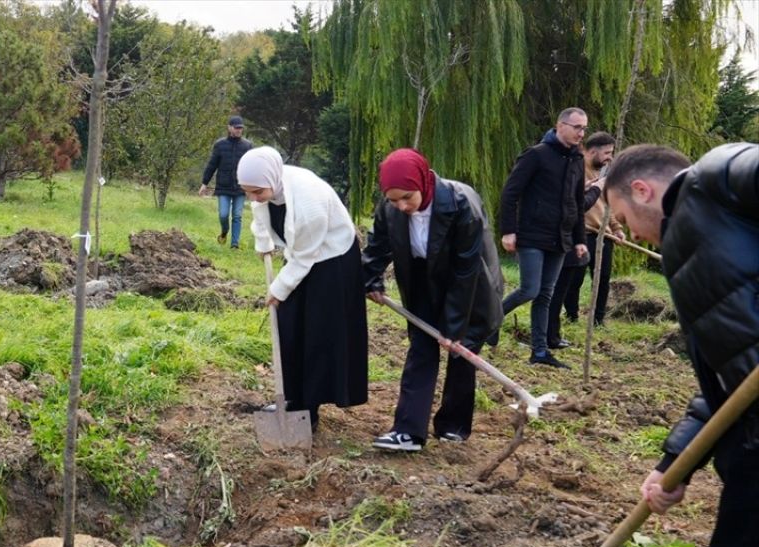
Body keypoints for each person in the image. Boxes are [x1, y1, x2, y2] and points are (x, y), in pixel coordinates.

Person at [603, 142, 759, 547]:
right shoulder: (691, 250)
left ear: (642, 190)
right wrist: (675, 464)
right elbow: (722, 379)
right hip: (750, 431)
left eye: (622, 217)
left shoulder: (714, 179)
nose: (631, 234)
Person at [363, 149, 504, 451]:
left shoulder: (461, 202)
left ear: (423, 182)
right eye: (393, 199)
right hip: (422, 282)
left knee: (462, 351)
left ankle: (453, 425)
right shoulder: (390, 208)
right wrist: (371, 278)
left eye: (407, 197)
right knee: (421, 349)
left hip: (470, 283)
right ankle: (409, 431)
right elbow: (377, 245)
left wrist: (453, 326)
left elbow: (466, 268)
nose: (401, 206)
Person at [238, 146, 367, 429]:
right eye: (247, 191)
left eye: (256, 191)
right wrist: (264, 244)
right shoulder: (267, 185)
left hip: (332, 262)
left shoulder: (309, 199)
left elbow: (306, 255)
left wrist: (279, 288)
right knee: (289, 326)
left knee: (317, 334)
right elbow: (261, 213)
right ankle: (292, 398)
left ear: (271, 180)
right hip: (301, 257)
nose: (252, 198)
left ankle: (309, 409)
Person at [495, 107, 590, 368]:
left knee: (545, 295)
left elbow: (577, 203)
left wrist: (580, 239)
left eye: (584, 128)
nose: (581, 133)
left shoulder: (577, 160)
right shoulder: (536, 155)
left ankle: (539, 352)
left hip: (561, 238)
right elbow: (510, 194)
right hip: (532, 235)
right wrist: (508, 231)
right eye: (577, 127)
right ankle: (490, 320)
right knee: (530, 289)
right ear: (560, 126)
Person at [561, 131, 624, 328]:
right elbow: (572, 201)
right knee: (575, 278)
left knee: (603, 278)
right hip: (581, 233)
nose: (609, 157)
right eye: (607, 153)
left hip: (603, 236)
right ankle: (571, 317)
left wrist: (616, 228)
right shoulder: (576, 170)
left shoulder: (602, 173)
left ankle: (598, 320)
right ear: (593, 151)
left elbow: (607, 206)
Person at [199, 115, 252, 249]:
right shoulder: (220, 145)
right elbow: (212, 165)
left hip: (240, 186)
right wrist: (204, 183)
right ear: (229, 128)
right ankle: (224, 232)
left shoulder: (247, 146)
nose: (239, 130)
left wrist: (252, 187)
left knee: (237, 215)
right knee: (223, 214)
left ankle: (234, 244)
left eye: (241, 128)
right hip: (223, 186)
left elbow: (252, 167)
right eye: (236, 128)